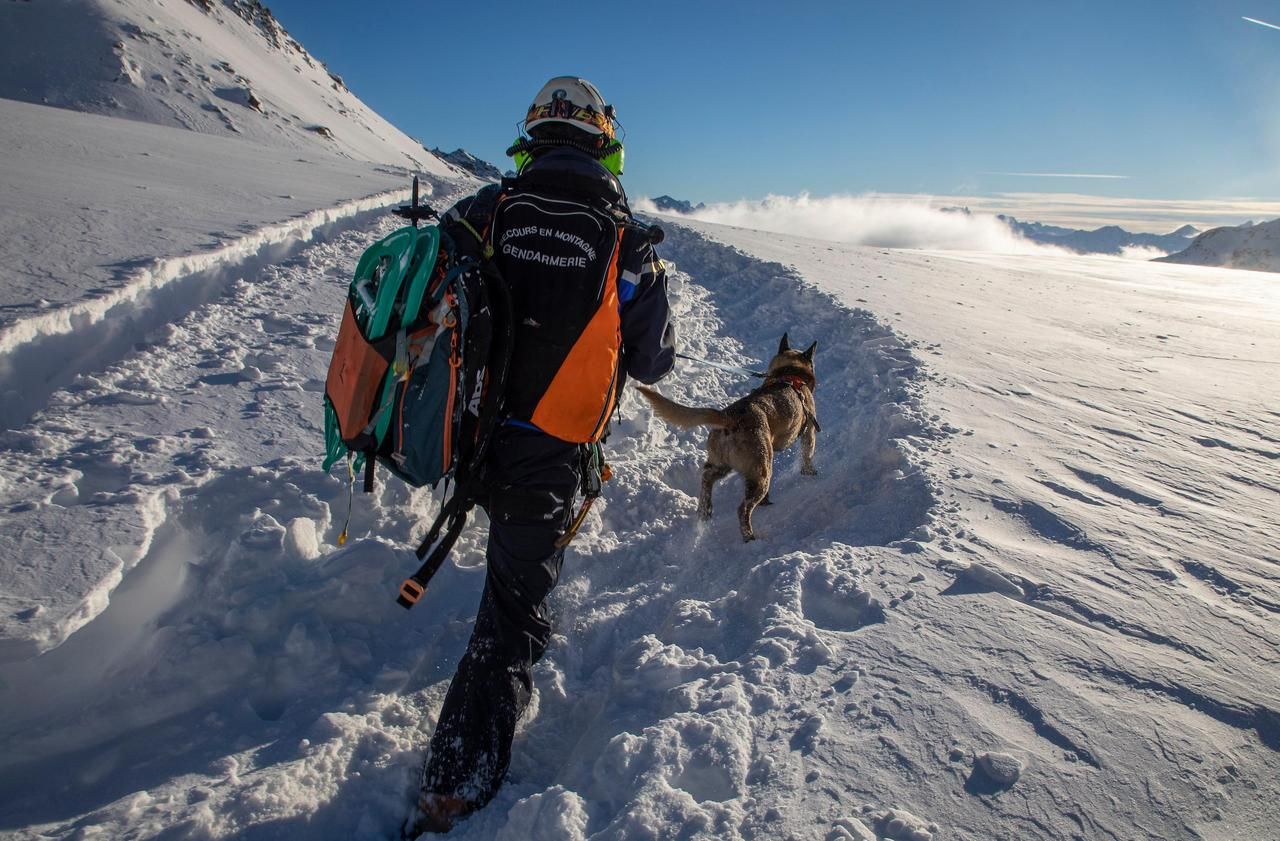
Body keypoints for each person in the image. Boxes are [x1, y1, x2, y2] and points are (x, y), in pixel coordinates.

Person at [408, 76, 675, 835]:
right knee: (513, 612)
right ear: (604, 142)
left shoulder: (485, 211)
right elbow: (654, 361)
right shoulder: (628, 240)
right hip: (550, 456)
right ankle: (453, 783)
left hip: (470, 438)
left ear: (533, 136)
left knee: (509, 575)